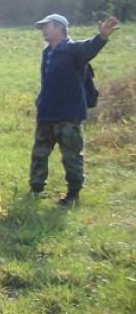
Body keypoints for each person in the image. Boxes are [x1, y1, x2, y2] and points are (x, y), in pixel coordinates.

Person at [30, 14, 119, 206]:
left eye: (47, 27)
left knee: (71, 156)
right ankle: (36, 189)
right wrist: (40, 102)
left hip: (68, 115)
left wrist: (102, 37)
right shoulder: (47, 52)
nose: (43, 31)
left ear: (60, 28)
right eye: (42, 27)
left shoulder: (73, 49)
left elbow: (90, 48)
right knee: (39, 154)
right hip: (46, 113)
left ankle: (72, 195)